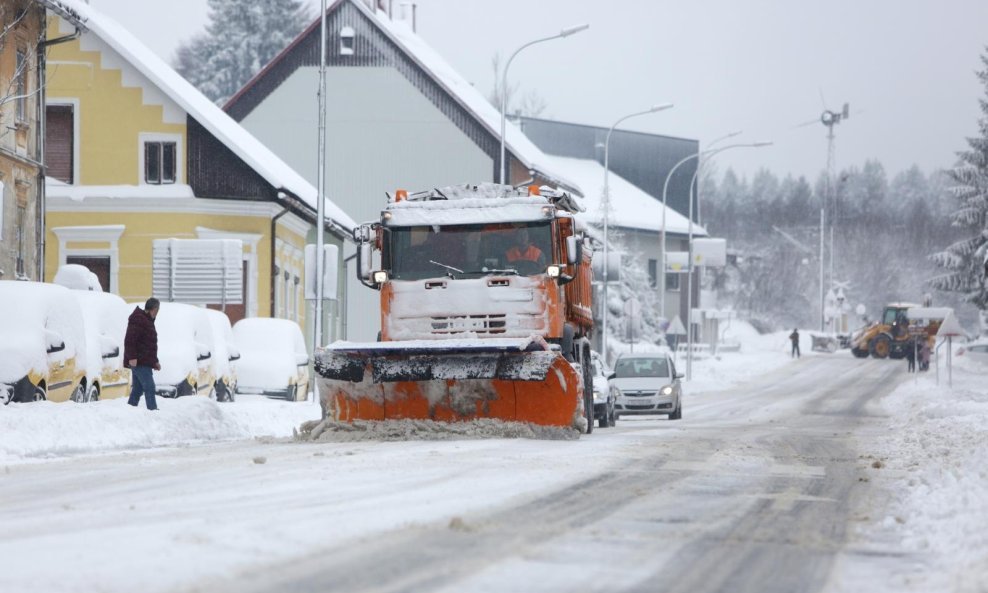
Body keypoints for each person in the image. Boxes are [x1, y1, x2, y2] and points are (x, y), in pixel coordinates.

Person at [124, 298, 161, 410]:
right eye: (157, 310)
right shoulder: (139, 319)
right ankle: (153, 410)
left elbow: (149, 345)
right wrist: (132, 357)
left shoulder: (147, 320)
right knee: (149, 387)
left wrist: (155, 361)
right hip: (139, 361)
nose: (157, 313)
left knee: (138, 389)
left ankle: (130, 409)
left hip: (144, 361)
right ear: (154, 309)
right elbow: (130, 339)